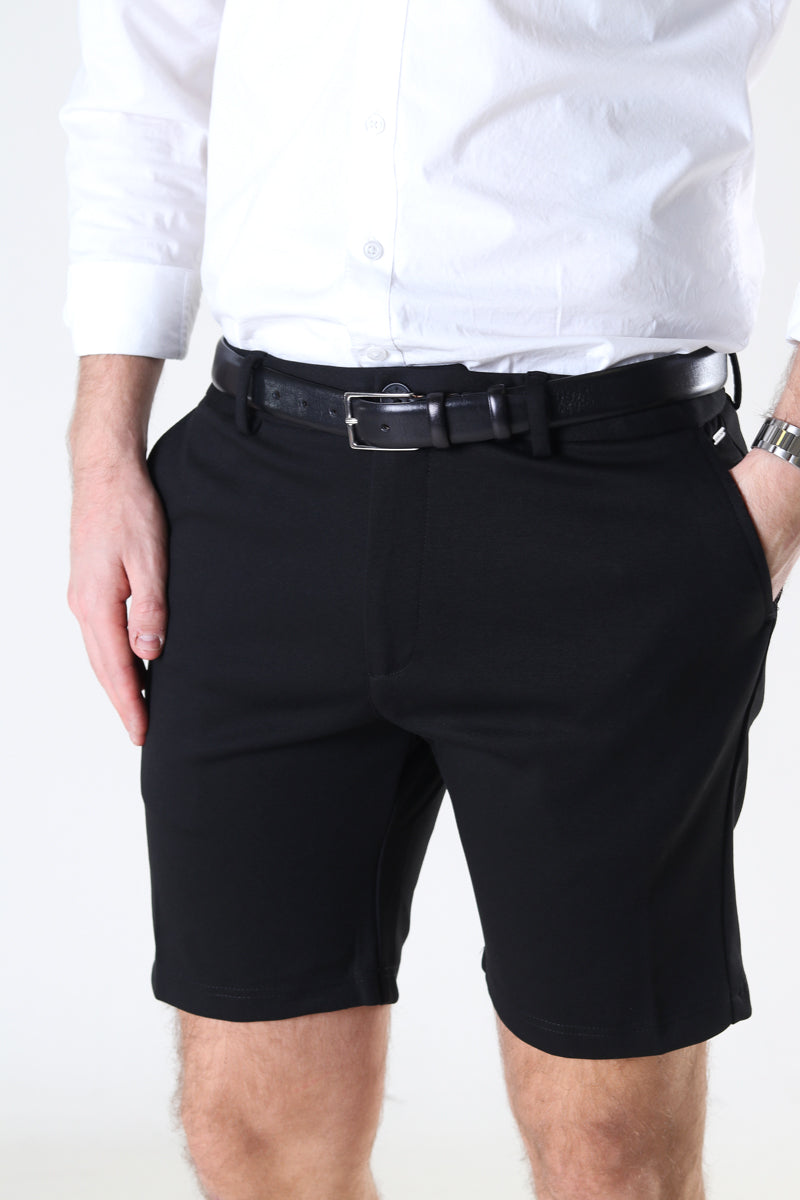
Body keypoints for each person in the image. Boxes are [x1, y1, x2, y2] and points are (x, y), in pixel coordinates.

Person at [60, 3, 800, 1198]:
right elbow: (144, 85)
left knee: (609, 1147)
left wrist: (787, 472)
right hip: (260, 489)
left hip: (605, 502)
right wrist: (103, 446)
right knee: (250, 1129)